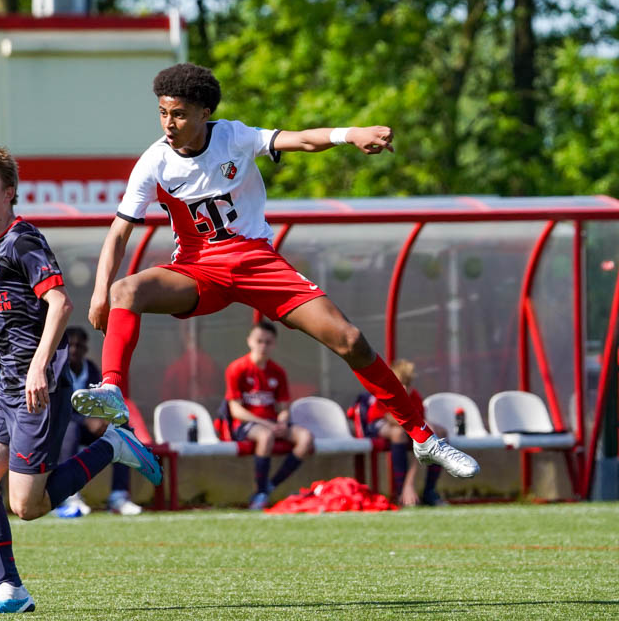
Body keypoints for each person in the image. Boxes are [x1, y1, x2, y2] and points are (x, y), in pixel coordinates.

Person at [71, 62, 479, 483]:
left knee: (351, 340)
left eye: (179, 114)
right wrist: (100, 293)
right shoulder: (154, 162)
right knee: (125, 291)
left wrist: (351, 134)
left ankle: (424, 439)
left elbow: (300, 139)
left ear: (204, 112)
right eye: (162, 112)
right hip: (197, 271)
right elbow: (119, 232)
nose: (168, 124)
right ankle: (112, 390)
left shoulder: (233, 136)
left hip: (256, 262)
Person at [0, 146, 161, 616]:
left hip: (36, 384)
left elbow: (59, 303)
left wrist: (39, 366)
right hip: (7, 386)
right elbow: (6, 308)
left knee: (28, 506)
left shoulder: (22, 240)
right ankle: (10, 590)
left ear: (9, 192)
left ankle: (112, 446)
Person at [225, 321, 314, 510]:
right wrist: (265, 423)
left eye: (268, 342)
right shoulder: (237, 368)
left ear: (274, 344)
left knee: (305, 439)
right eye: (259, 341)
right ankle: (259, 492)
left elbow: (283, 406)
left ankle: (270, 485)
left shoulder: (278, 372)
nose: (263, 346)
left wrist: (281, 421)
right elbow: (236, 410)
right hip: (247, 425)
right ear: (250, 341)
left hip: (272, 424)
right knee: (265, 437)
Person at [54, 326, 142, 517]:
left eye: (79, 346)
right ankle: (69, 496)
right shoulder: (55, 371)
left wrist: (104, 419)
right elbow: (56, 408)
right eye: (71, 345)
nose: (75, 350)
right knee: (71, 429)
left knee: (120, 430)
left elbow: (104, 400)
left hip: (86, 428)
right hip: (58, 430)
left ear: (86, 349)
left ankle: (118, 497)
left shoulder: (92, 370)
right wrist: (86, 420)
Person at [349, 359, 446, 506]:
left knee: (439, 434)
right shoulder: (387, 394)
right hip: (378, 424)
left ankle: (429, 491)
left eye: (408, 384)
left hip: (406, 427)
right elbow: (391, 418)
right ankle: (401, 492)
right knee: (399, 433)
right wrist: (421, 426)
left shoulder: (415, 396)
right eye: (401, 383)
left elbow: (420, 423)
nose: (405, 388)